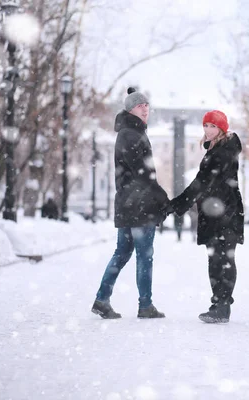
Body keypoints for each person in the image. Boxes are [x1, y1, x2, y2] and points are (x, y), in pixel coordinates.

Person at [91, 87, 169, 319]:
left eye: (146, 105)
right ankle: (145, 305)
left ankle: (102, 299)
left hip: (128, 203)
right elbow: (143, 173)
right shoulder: (131, 134)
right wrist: (162, 198)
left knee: (122, 252)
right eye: (139, 105)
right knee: (144, 255)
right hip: (139, 205)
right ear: (130, 109)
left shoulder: (131, 132)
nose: (145, 109)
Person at [167, 110, 244, 323]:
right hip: (214, 212)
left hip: (225, 213)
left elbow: (201, 182)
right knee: (215, 259)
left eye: (212, 126)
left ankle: (222, 305)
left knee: (224, 259)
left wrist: (176, 205)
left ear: (222, 129)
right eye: (206, 126)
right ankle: (218, 304)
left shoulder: (223, 150)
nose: (207, 130)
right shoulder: (215, 149)